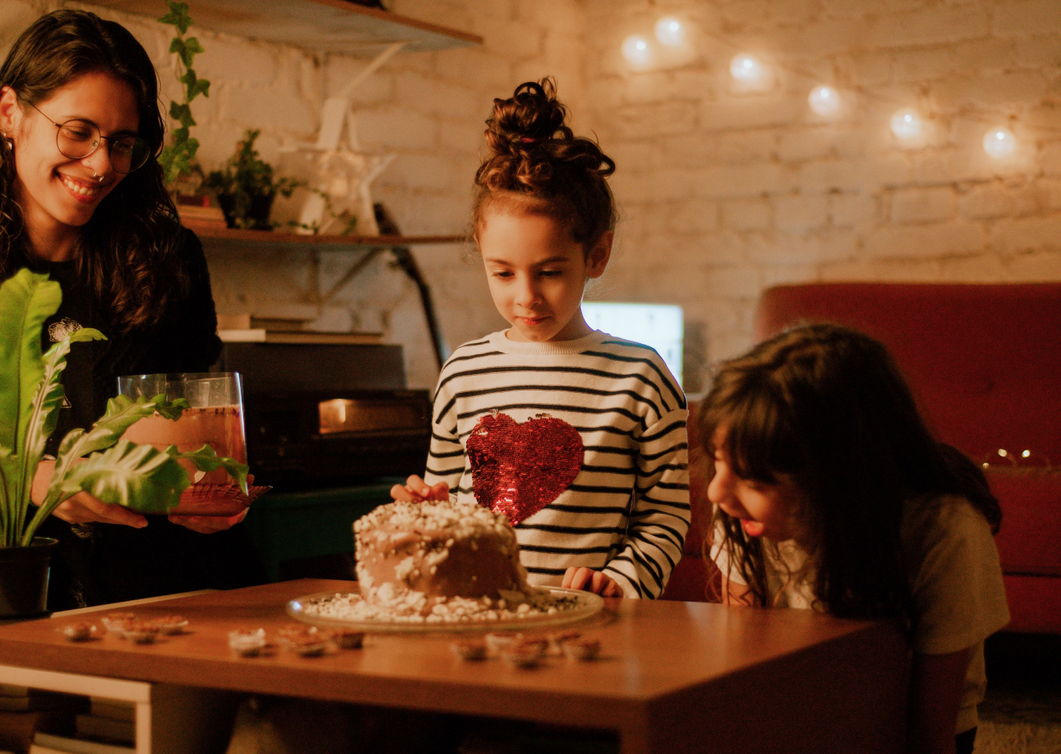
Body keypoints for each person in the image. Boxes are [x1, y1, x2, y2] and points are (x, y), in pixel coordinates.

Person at [0, 9, 263, 625]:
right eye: (79, 132)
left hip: (171, 601)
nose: (102, 164)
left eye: (122, 143)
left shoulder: (168, 258)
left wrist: (209, 490)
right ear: (9, 115)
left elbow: (199, 427)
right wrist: (36, 481)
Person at [392, 78, 689, 599]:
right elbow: (449, 508)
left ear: (596, 255)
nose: (526, 296)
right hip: (477, 614)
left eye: (549, 271)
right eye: (503, 274)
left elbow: (665, 517)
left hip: (593, 628)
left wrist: (619, 580)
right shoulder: (462, 371)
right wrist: (425, 514)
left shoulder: (641, 377)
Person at [699, 323, 1008, 754]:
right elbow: (748, 679)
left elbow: (929, 731)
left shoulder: (945, 531)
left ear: (837, 475)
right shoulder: (745, 514)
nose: (716, 492)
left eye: (754, 480)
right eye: (717, 460)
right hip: (795, 716)